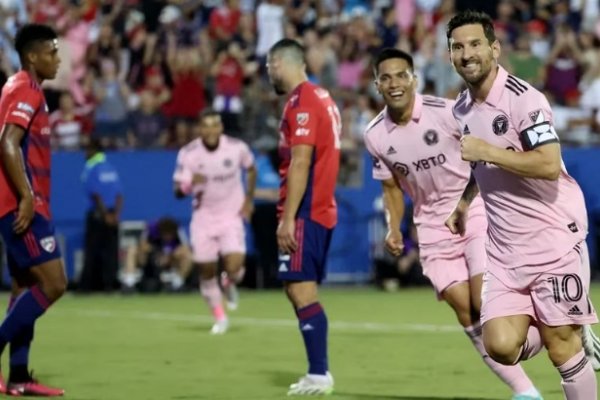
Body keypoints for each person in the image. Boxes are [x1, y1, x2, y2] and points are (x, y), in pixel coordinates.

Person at [364, 48, 542, 400]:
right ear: (376, 85)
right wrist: (394, 226)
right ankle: (526, 392)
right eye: (386, 78)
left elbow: (486, 149)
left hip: (472, 208)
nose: (395, 83)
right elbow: (391, 187)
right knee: (467, 312)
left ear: (414, 78)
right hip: (431, 229)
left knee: (485, 304)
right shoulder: (375, 135)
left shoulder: (446, 112)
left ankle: (555, 327)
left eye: (402, 75)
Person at [446, 10, 598, 399]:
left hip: (551, 239)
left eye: (476, 44)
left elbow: (548, 164)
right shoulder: (460, 108)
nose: (467, 54)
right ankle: (562, 322)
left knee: (562, 349)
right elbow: (479, 167)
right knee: (499, 344)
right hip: (505, 250)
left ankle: (563, 328)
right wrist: (464, 203)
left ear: (494, 48)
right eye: (458, 47)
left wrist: (487, 150)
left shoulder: (523, 100)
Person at [266, 38, 341, 396]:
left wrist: (287, 218)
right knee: (297, 287)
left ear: (281, 62)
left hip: (305, 211)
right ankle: (318, 370)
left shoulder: (302, 102)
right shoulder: (323, 97)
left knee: (300, 288)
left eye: (269, 66)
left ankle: (319, 373)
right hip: (318, 208)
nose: (268, 73)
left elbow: (301, 161)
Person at [0, 24, 66, 396]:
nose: (57, 60)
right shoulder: (24, 86)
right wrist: (26, 197)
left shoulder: (24, 87)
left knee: (25, 285)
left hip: (22, 201)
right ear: (32, 56)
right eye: (52, 53)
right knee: (54, 284)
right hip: (22, 205)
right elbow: (8, 144)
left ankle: (20, 376)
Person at [173, 109, 256, 334]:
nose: (210, 130)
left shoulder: (237, 148)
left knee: (235, 266)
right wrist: (189, 185)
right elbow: (177, 191)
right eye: (206, 125)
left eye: (214, 125)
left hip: (231, 216)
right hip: (203, 220)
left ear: (221, 128)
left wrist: (248, 200)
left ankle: (229, 283)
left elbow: (251, 169)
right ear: (200, 129)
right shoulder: (189, 154)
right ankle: (220, 318)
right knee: (206, 271)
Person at [79, 139, 124, 292]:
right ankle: (110, 284)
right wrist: (116, 214)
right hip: (112, 214)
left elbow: (96, 194)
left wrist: (104, 214)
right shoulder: (110, 167)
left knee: (92, 251)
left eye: (87, 150)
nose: (85, 153)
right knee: (111, 252)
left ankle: (88, 286)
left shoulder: (91, 167)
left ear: (94, 150)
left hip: (98, 214)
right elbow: (119, 195)